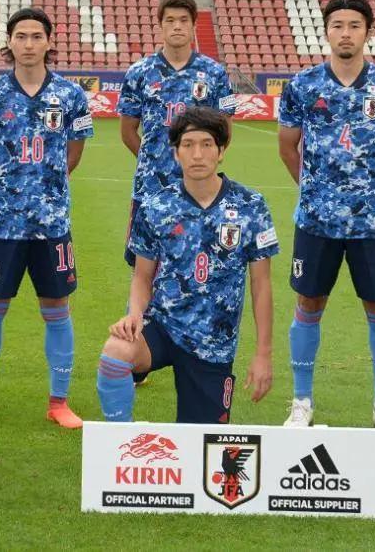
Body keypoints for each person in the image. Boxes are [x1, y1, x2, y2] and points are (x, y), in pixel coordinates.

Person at [277, 0, 375, 436]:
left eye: (354, 25)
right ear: (326, 32)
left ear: (367, 32)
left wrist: (374, 196)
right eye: (337, 25)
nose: (345, 33)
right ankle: (301, 402)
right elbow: (287, 146)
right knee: (308, 303)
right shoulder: (302, 85)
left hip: (372, 223)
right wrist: (314, 192)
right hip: (315, 222)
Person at [0, 8, 93, 430]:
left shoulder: (71, 96)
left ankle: (59, 402)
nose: (28, 44)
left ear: (49, 42)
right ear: (9, 42)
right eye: (21, 36)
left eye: (36, 36)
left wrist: (46, 190)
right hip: (3, 225)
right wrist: (9, 192)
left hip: (53, 226)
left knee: (57, 308)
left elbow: (74, 152)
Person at [97, 107, 275, 422]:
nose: (197, 154)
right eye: (188, 145)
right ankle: (121, 440)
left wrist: (263, 354)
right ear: (176, 152)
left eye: (207, 144)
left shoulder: (251, 206)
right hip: (163, 327)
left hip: (213, 344)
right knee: (116, 351)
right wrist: (134, 314)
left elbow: (261, 285)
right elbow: (142, 277)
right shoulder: (156, 206)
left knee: (204, 442)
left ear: (221, 151)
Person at [117, 0, 235, 268]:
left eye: (183, 20)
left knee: (196, 262)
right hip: (150, 187)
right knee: (145, 267)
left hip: (200, 186)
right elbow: (127, 131)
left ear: (193, 25)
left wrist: (204, 162)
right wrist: (152, 160)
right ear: (161, 26)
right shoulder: (139, 72)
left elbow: (225, 128)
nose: (177, 26)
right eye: (170, 20)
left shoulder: (215, 73)